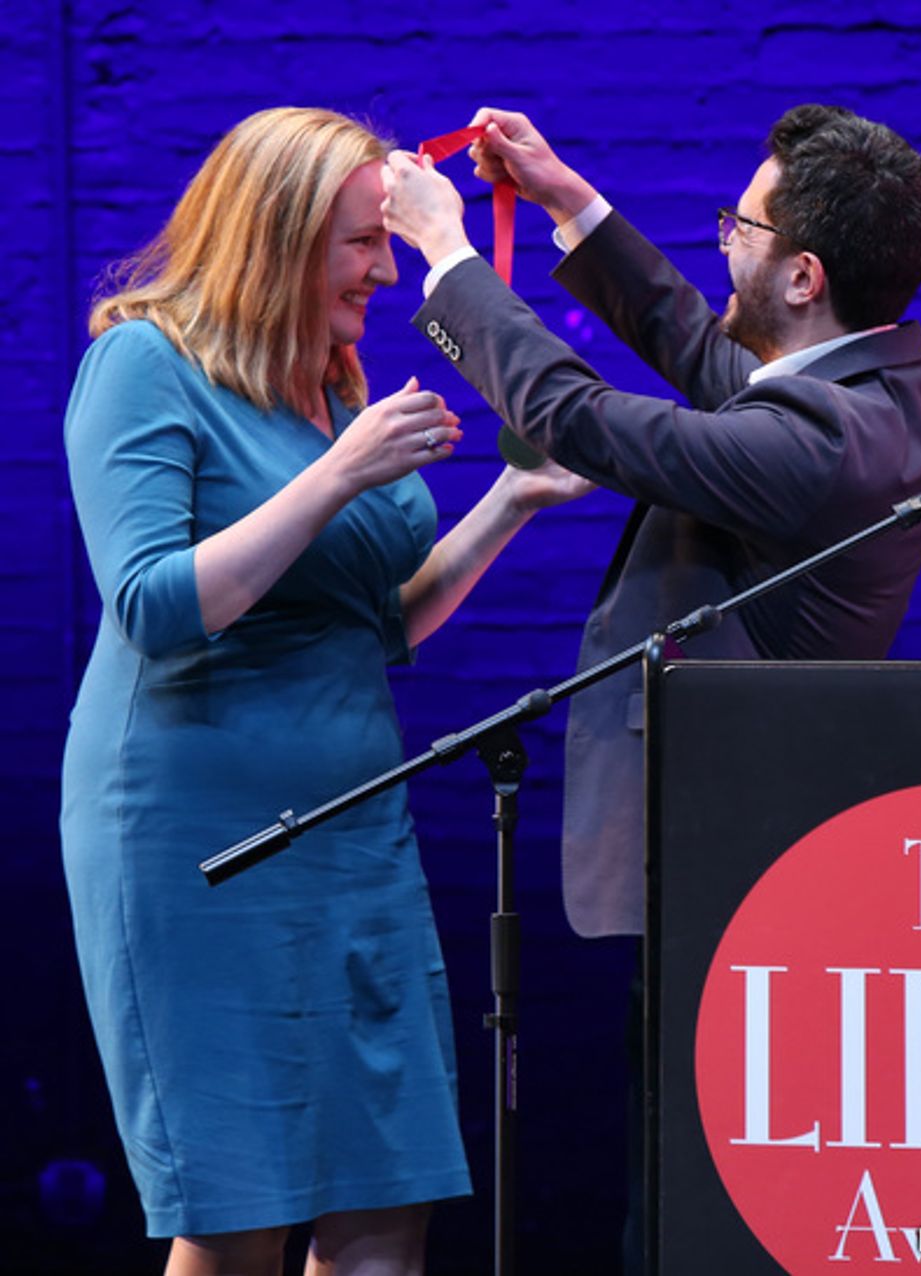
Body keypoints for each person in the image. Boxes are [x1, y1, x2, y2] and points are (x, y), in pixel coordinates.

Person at [61, 106, 589, 1276]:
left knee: (382, 1207)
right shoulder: (145, 364)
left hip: (353, 832)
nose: (384, 268)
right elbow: (151, 602)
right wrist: (342, 472)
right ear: (279, 236)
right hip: (196, 838)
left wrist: (507, 504)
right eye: (360, 243)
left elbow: (378, 622)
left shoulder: (330, 386)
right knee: (240, 1207)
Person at [380, 103, 921, 942]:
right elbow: (699, 347)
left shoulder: (823, 442)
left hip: (723, 870)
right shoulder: (879, 386)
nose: (724, 241)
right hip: (741, 852)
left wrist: (446, 256)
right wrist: (565, 198)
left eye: (742, 225)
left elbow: (576, 418)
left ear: (804, 279)